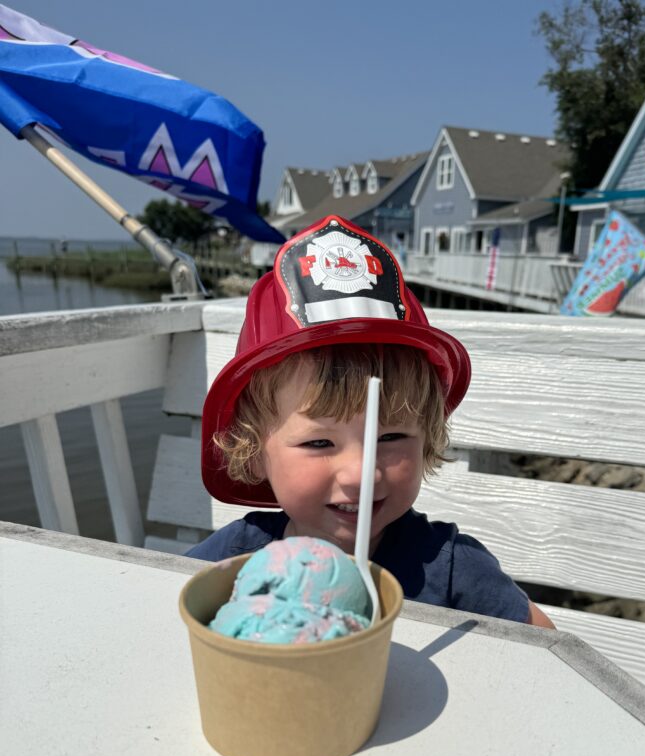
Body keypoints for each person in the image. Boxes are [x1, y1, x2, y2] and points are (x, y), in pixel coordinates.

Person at [186, 214, 555, 629]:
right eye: (319, 443)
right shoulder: (235, 558)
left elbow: (547, 647)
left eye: (392, 435)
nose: (361, 474)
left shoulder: (451, 569)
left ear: (426, 440)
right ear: (253, 453)